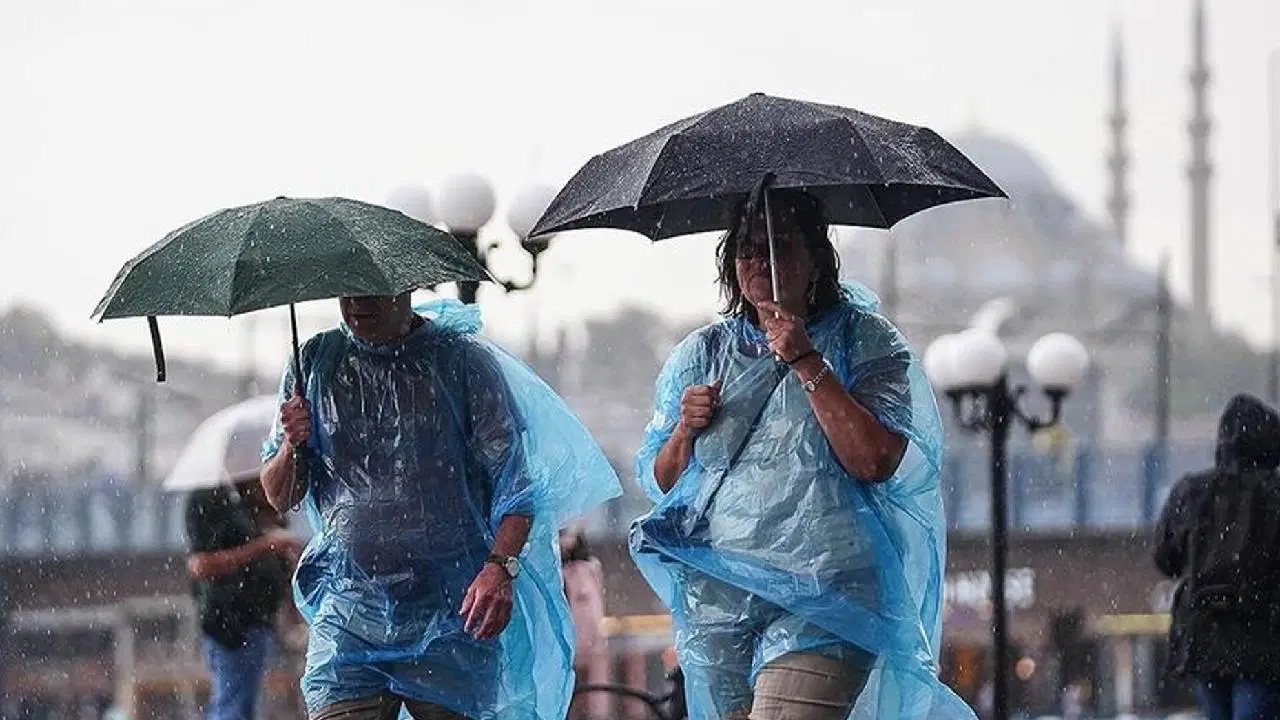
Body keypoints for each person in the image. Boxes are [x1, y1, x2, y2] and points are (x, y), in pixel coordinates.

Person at [630, 188, 973, 719]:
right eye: (747, 250)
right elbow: (665, 481)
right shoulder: (705, 353)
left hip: (827, 592)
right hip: (720, 597)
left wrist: (806, 361)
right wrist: (684, 431)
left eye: (780, 245)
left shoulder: (864, 339)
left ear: (816, 260)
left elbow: (875, 460)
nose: (761, 262)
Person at [260, 294, 619, 720]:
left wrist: (499, 568)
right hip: (350, 612)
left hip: (452, 614)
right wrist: (292, 444)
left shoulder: (463, 364)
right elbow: (279, 495)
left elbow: (516, 490)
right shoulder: (316, 364)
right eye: (347, 290)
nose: (356, 303)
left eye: (371, 291)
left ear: (405, 287)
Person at [1155, 393, 1280, 720]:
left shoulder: (1192, 492)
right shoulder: (1274, 493)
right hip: (1265, 637)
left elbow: (1166, 559)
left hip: (1204, 636)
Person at [186, 459, 300, 720]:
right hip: (230, 623)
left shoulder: (252, 506)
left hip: (258, 620)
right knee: (234, 703)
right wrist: (264, 546)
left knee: (244, 702)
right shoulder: (211, 500)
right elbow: (201, 565)